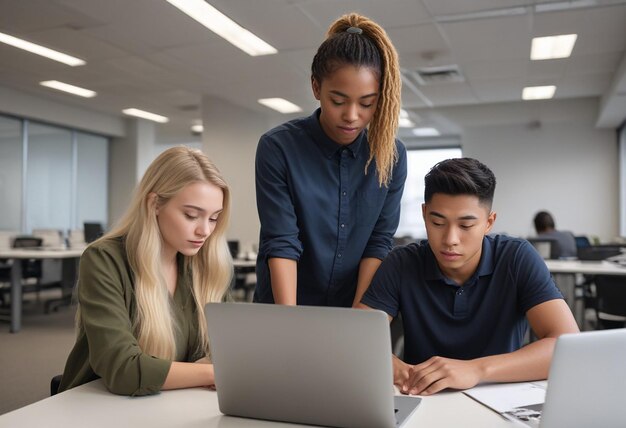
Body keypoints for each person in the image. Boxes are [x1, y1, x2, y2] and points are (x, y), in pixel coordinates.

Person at [358, 158, 579, 395]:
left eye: (465, 226)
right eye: (437, 222)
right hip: (424, 400)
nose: (450, 239)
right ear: (424, 214)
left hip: (500, 400)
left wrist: (476, 370)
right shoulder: (402, 263)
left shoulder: (516, 258)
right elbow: (356, 340)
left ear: (489, 222)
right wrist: (398, 370)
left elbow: (568, 347)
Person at [254, 13, 407, 307]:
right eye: (338, 101)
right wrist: (290, 321)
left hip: (353, 306)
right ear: (316, 88)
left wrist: (357, 320)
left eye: (367, 103)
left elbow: (378, 243)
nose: (352, 115)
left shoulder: (392, 156)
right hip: (284, 306)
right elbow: (282, 242)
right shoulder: (278, 147)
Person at [58, 146, 233, 396]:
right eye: (191, 215)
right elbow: (123, 369)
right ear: (154, 204)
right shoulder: (104, 260)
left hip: (171, 402)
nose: (204, 231)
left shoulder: (203, 265)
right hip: (98, 406)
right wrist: (213, 372)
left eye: (214, 218)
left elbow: (231, 347)